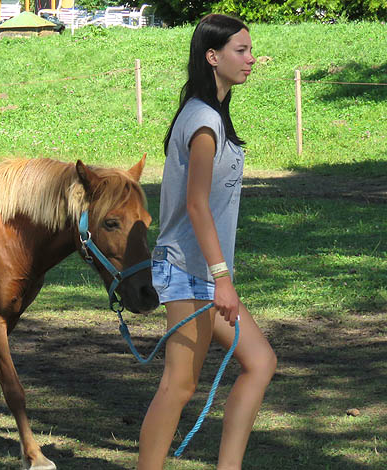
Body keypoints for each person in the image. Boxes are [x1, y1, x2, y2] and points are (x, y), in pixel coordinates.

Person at [137, 14, 277, 470]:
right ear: (212, 57)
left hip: (205, 274)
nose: (251, 59)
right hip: (188, 271)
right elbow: (196, 205)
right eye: (241, 50)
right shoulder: (201, 120)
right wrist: (223, 278)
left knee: (260, 362)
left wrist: (219, 276)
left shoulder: (214, 114)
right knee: (179, 385)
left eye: (250, 50)